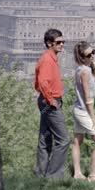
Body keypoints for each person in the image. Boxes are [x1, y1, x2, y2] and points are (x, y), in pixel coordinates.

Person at [34, 29, 70, 179]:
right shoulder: (48, 59)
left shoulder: (50, 58)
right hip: (50, 103)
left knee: (45, 139)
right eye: (58, 42)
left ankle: (41, 174)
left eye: (63, 42)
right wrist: (51, 101)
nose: (62, 44)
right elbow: (42, 82)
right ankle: (54, 177)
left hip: (46, 101)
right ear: (49, 43)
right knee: (63, 140)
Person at [71, 41, 95, 183]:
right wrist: (93, 118)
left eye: (94, 52)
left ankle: (77, 173)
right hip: (83, 111)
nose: (92, 55)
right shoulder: (85, 72)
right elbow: (88, 98)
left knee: (77, 141)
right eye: (89, 54)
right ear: (81, 56)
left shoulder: (83, 69)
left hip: (79, 109)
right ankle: (92, 175)